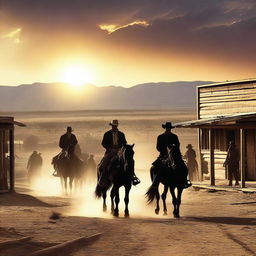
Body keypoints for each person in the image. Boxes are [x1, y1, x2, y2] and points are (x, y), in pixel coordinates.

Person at [100, 120, 140, 185]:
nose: (114, 127)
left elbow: (125, 143)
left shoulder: (121, 134)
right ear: (111, 126)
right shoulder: (107, 134)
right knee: (105, 162)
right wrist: (109, 148)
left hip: (120, 152)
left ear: (117, 126)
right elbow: (103, 143)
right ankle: (103, 177)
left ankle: (132, 176)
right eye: (113, 126)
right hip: (110, 152)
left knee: (130, 161)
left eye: (115, 126)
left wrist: (120, 149)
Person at [152, 122, 191, 188]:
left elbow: (178, 145)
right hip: (163, 155)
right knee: (158, 167)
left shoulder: (174, 136)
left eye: (169, 128)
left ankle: (185, 181)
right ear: (165, 128)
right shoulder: (160, 137)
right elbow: (158, 147)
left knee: (184, 167)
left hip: (174, 154)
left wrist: (174, 148)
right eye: (167, 128)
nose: (168, 129)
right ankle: (155, 182)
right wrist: (165, 150)